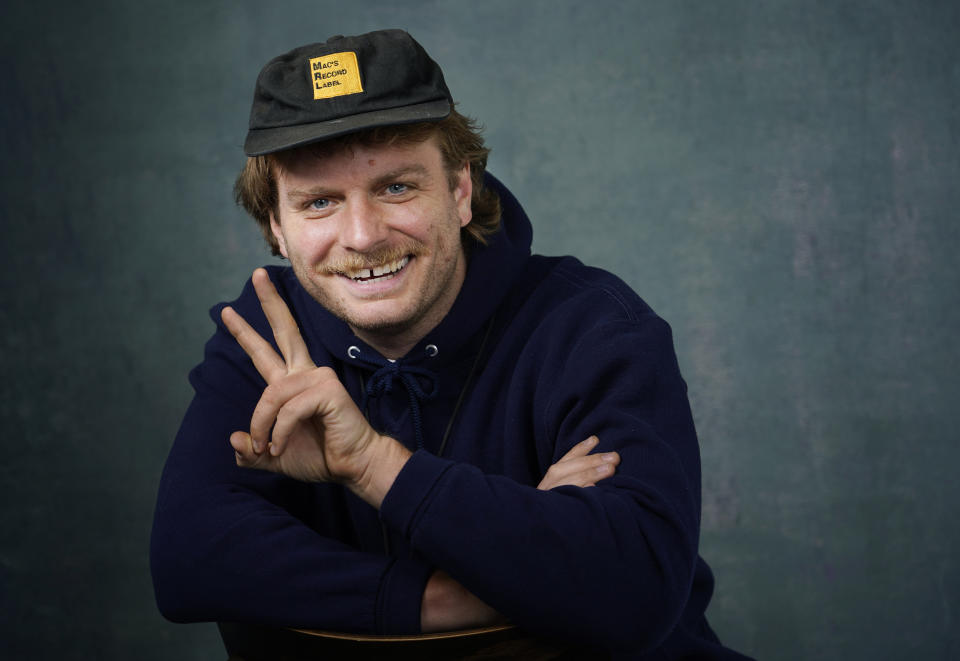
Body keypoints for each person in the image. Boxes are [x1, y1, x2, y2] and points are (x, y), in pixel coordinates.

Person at [150, 29, 751, 659]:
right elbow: (189, 557)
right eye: (320, 202)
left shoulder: (594, 328)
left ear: (461, 190)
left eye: (397, 188)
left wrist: (373, 464)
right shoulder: (266, 335)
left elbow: (634, 593)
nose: (361, 236)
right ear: (276, 225)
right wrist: (458, 594)